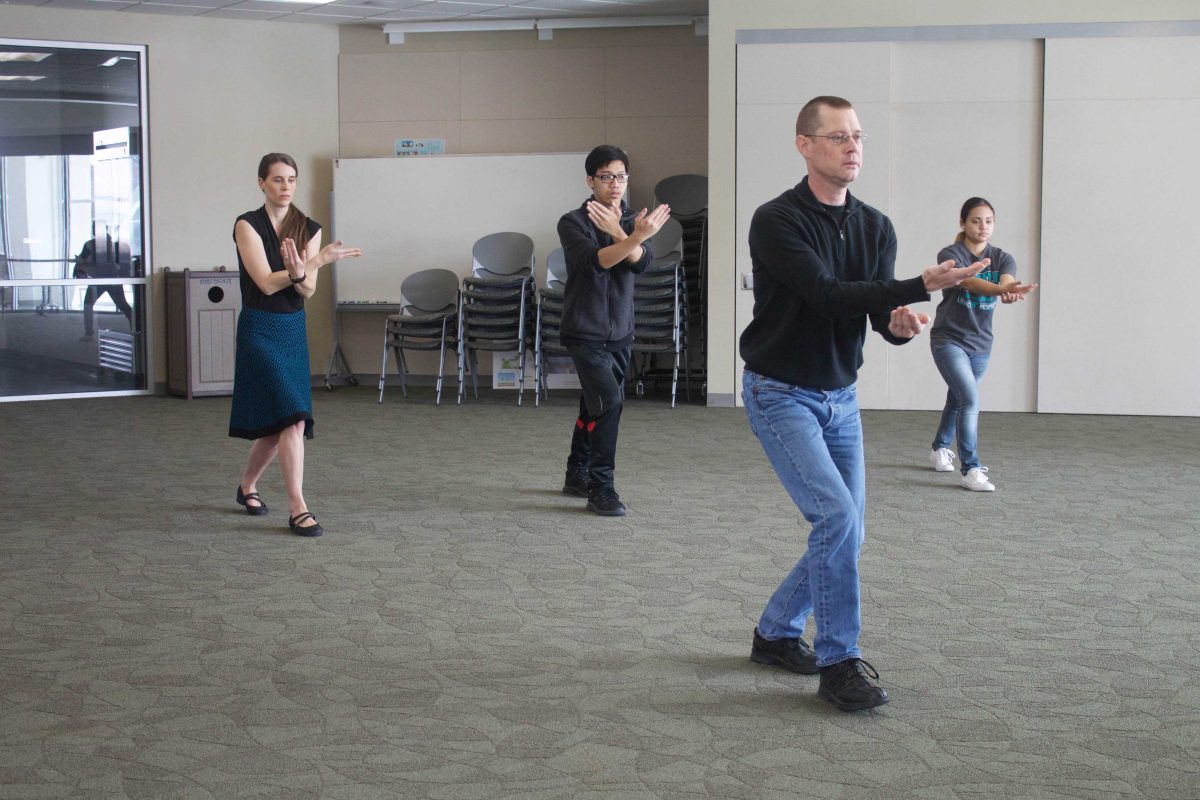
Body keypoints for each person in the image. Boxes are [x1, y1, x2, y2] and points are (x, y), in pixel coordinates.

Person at [739, 96, 986, 711]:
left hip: (840, 397)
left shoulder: (876, 226)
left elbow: (873, 310)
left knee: (850, 528)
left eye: (859, 137)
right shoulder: (776, 220)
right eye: (838, 137)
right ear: (805, 145)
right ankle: (839, 662)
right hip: (780, 392)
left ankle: (774, 633)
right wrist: (922, 284)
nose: (853, 148)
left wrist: (899, 324)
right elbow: (825, 295)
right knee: (836, 518)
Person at [229, 153, 361, 537]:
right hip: (259, 328)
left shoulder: (308, 226)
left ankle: (247, 486)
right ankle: (297, 506)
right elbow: (266, 284)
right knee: (292, 416)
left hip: (291, 327)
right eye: (277, 180)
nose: (285, 187)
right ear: (261, 184)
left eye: (291, 180)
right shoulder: (246, 225)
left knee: (279, 424)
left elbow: (306, 288)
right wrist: (313, 262)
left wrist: (306, 269)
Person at [557, 145, 670, 517]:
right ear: (591, 180)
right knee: (610, 402)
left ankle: (576, 472)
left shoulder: (635, 220)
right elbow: (596, 263)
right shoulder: (572, 222)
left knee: (595, 403)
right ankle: (600, 487)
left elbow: (642, 264)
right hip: (584, 331)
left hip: (620, 332)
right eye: (606, 176)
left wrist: (627, 234)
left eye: (621, 176)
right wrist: (632, 237)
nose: (615, 184)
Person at [928, 197, 1037, 491]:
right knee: (970, 399)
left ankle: (940, 447)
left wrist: (1011, 289)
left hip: (981, 343)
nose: (983, 227)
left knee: (959, 398)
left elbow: (1008, 278)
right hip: (948, 339)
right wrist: (1002, 289)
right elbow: (970, 282)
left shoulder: (1002, 256)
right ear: (962, 223)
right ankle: (971, 468)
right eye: (976, 221)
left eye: (988, 221)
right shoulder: (950, 255)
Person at [74, 234, 134, 341]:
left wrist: (81, 265)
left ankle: (89, 334)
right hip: (112, 280)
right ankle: (136, 329)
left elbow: (83, 259)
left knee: (88, 304)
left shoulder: (90, 244)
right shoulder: (114, 245)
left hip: (99, 279)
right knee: (123, 305)